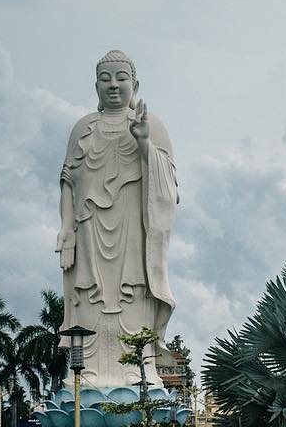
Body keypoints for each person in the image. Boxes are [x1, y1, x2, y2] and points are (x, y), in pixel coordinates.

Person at [57, 50, 179, 386]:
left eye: (121, 79)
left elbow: (169, 186)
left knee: (134, 288)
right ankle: (86, 372)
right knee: (89, 289)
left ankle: (137, 371)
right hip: (90, 225)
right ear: (95, 85)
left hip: (133, 228)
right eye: (106, 79)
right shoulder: (83, 128)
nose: (113, 86)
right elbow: (68, 182)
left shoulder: (151, 124)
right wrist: (66, 228)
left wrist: (143, 144)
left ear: (134, 84)